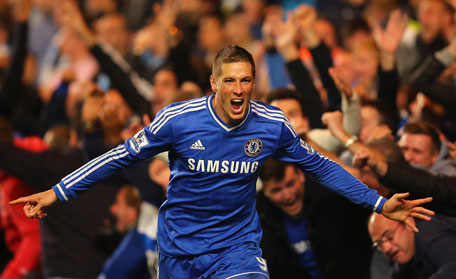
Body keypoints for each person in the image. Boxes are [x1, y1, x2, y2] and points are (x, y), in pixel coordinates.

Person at [11, 45, 434, 279]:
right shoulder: (178, 120)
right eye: (229, 80)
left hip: (236, 249)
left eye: (245, 80)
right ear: (214, 83)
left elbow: (319, 166)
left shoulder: (271, 124)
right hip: (179, 249)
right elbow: (120, 155)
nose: (238, 89)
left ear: (253, 82)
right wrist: (58, 191)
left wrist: (378, 203)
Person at [257, 159, 323, 278]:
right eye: (276, 190)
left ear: (301, 175)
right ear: (265, 191)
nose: (287, 196)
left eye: (290, 184)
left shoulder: (327, 197)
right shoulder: (256, 223)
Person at [368, 213, 456, 279]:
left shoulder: (430, 237)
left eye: (390, 237)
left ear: (408, 224)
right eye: (379, 244)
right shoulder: (408, 252)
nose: (386, 249)